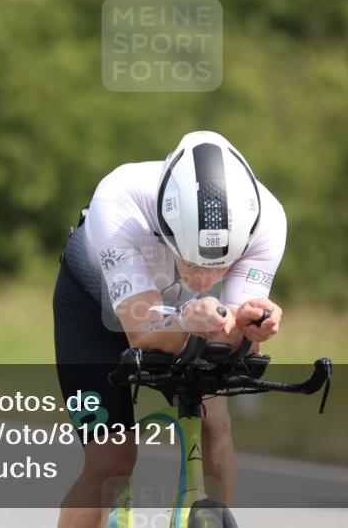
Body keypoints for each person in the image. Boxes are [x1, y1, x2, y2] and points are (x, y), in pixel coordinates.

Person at [53, 130, 286, 528]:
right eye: (193, 261)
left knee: (214, 421)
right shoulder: (120, 200)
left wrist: (248, 326)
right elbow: (141, 332)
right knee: (112, 459)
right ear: (163, 228)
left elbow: (230, 333)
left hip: (183, 312)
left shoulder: (268, 220)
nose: (206, 276)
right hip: (93, 310)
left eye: (221, 264)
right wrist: (187, 318)